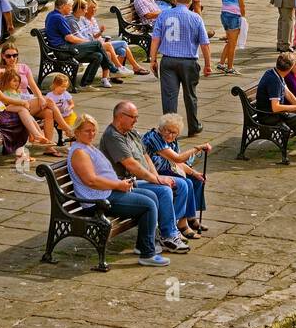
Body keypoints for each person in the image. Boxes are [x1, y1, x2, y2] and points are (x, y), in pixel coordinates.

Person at [66, 114, 171, 267]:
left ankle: (143, 245)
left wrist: (119, 183)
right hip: (97, 200)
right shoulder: (79, 153)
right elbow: (91, 181)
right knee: (148, 205)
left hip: (107, 191)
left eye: (94, 130)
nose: (91, 134)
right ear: (76, 132)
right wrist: (117, 185)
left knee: (152, 195)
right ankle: (147, 254)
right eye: (87, 131)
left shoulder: (87, 146)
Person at [100, 100, 197, 246]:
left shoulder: (131, 132)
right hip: (125, 183)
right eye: (133, 117)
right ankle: (168, 234)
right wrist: (156, 180)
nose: (136, 120)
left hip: (140, 179)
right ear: (120, 117)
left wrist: (156, 176)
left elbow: (145, 156)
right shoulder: (113, 137)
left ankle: (170, 227)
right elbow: (132, 165)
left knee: (182, 184)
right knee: (164, 190)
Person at [148, 0, 212, 136]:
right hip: (189, 62)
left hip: (168, 60)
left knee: (169, 96)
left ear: (175, 0)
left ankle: (169, 130)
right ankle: (193, 126)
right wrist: (208, 65)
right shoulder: (196, 18)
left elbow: (155, 38)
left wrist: (153, 59)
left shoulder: (164, 15)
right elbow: (205, 43)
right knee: (190, 95)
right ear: (190, 2)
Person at [142, 114, 211, 233]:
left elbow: (176, 163)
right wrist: (197, 148)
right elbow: (178, 158)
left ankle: (191, 217)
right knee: (186, 183)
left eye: (175, 133)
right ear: (161, 128)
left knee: (197, 179)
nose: (171, 135)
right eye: (168, 131)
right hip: (155, 173)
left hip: (167, 169)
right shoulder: (155, 137)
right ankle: (180, 223)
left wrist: (194, 173)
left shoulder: (173, 140)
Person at [0, 42, 71, 142]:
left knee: (48, 112)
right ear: (3, 56)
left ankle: (48, 146)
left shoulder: (23, 67)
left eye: (15, 55)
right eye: (8, 56)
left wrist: (41, 98)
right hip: (16, 104)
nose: (12, 58)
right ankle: (67, 129)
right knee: (50, 101)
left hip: (28, 100)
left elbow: (33, 86)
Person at [44, 0, 110, 88]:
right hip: (63, 51)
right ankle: (112, 67)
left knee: (98, 56)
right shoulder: (59, 18)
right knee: (97, 44)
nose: (71, 8)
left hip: (62, 49)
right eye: (70, 6)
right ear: (63, 6)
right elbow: (69, 38)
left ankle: (85, 84)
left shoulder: (53, 15)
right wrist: (88, 43)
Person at [77, 0, 150, 78]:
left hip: (102, 42)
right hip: (98, 45)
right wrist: (100, 35)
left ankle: (116, 75)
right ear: (87, 9)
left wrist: (100, 32)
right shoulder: (84, 21)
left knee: (122, 51)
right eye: (92, 8)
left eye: (95, 7)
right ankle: (129, 67)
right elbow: (91, 37)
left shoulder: (93, 19)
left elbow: (96, 35)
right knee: (123, 43)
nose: (95, 10)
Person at [217, 0, 247, 76]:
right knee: (233, 43)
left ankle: (221, 63)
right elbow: (241, 3)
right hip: (234, 15)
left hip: (224, 13)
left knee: (229, 40)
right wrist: (243, 16)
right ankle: (230, 67)